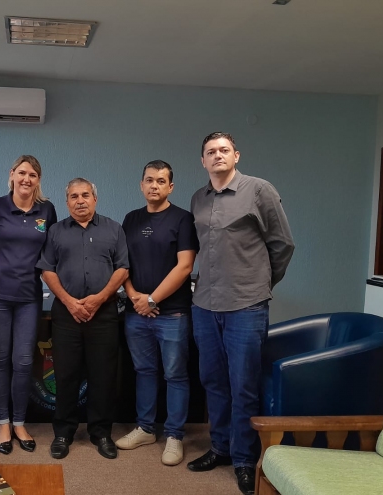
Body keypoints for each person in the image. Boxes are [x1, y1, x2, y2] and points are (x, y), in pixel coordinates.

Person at [187, 132, 294, 495]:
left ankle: (245, 459)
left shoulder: (259, 190)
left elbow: (282, 244)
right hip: (204, 304)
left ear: (236, 155)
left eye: (223, 150)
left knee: (243, 384)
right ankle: (220, 448)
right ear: (202, 161)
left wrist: (259, 284)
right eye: (210, 152)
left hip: (245, 307)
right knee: (213, 382)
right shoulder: (198, 198)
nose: (217, 156)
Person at [36, 178, 129, 460]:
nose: (80, 201)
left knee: (103, 376)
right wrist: (69, 302)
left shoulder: (114, 229)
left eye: (85, 195)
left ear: (95, 199)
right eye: (74, 196)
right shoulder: (55, 231)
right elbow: (47, 270)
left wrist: (99, 298)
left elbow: (123, 269)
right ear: (67, 202)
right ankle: (63, 432)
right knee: (65, 374)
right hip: (66, 313)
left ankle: (101, 433)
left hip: (104, 314)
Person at [116, 160, 196, 466]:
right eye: (149, 180)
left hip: (172, 313)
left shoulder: (183, 219)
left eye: (161, 181)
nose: (154, 186)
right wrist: (136, 297)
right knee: (144, 371)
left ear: (170, 187)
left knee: (175, 374)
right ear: (141, 184)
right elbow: (121, 263)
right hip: (137, 312)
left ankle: (175, 435)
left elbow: (185, 266)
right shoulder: (131, 219)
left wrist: (152, 299)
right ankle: (146, 428)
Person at [0, 155, 57, 455]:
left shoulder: (46, 210)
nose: (27, 179)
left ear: (38, 180)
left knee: (24, 361)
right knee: (0, 359)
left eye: (33, 175)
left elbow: (52, 252)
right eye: (22, 173)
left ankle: (20, 422)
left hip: (29, 297)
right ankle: (3, 423)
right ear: (11, 174)